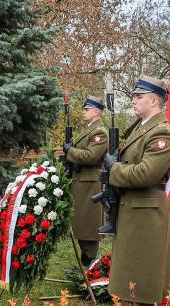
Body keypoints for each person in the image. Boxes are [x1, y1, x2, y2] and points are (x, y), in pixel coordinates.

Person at [103, 75, 170, 305]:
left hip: (146, 215)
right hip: (134, 211)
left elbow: (145, 174)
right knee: (128, 278)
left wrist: (114, 169)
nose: (133, 100)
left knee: (142, 282)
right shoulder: (142, 129)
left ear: (154, 101)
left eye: (139, 96)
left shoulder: (162, 134)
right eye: (134, 96)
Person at [62, 95, 108, 267]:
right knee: (82, 222)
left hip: (90, 183)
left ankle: (90, 259)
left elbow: (90, 156)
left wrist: (71, 151)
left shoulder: (99, 132)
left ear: (96, 111)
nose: (83, 112)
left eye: (87, 109)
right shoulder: (89, 129)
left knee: (89, 223)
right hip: (81, 181)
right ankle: (86, 259)